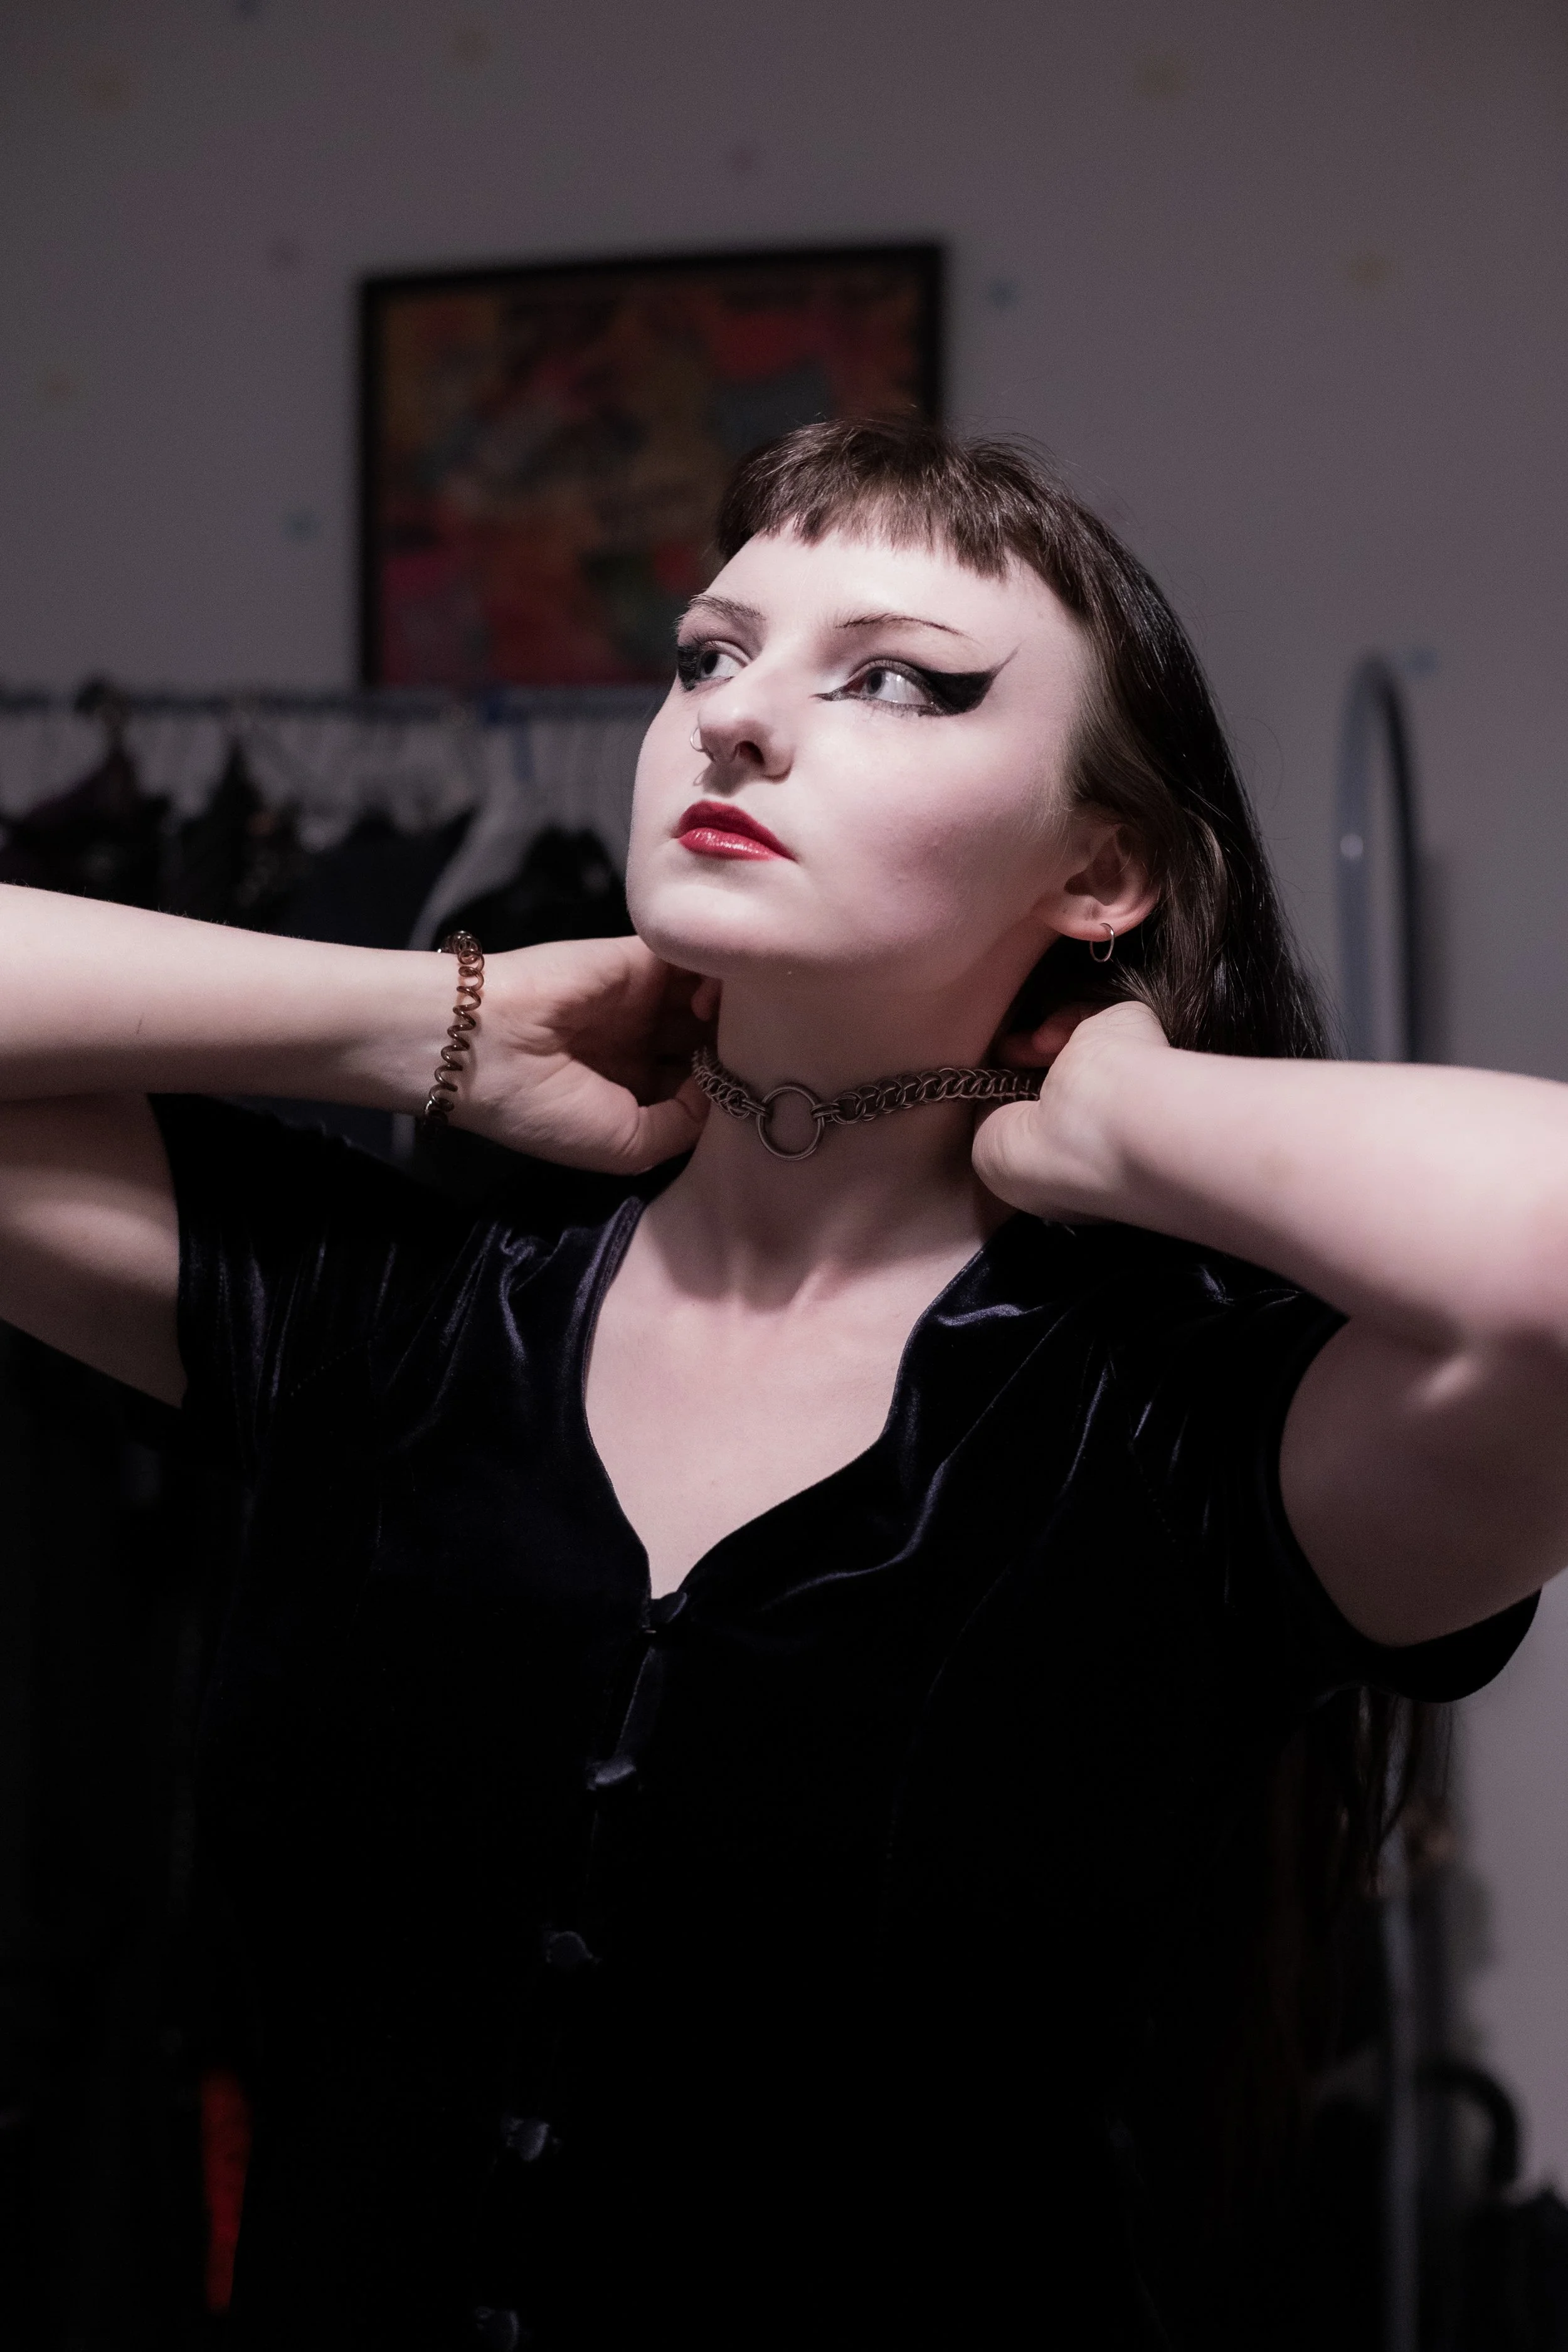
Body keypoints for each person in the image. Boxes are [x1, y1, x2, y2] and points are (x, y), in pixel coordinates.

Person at [0, 418, 1562, 2351]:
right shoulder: (383, 1315)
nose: (734, 719)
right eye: (707, 654)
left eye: (894, 677)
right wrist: (427, 1017)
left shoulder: (1192, 1430)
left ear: (1102, 868)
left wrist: (1128, 1116)